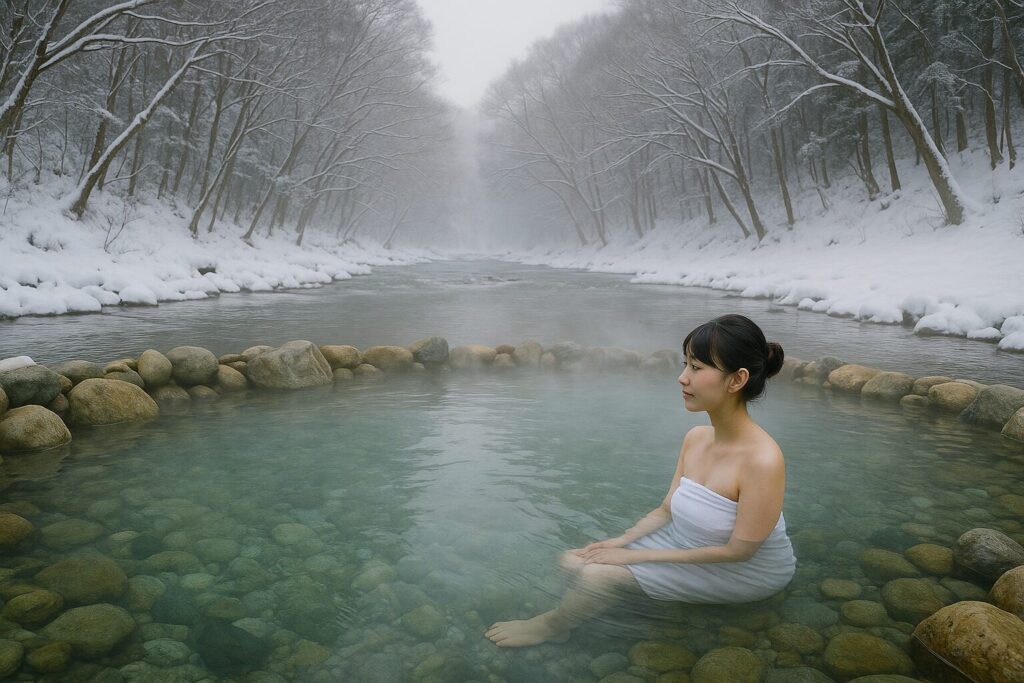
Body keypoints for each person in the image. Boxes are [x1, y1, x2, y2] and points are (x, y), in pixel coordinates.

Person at [485, 314, 797, 648]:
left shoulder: (762, 460)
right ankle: (589, 598)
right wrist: (619, 542)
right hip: (692, 545)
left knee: (597, 576)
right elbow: (665, 511)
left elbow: (738, 553)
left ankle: (554, 626)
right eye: (685, 364)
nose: (682, 378)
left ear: (737, 380)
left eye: (697, 368)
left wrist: (634, 559)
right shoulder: (697, 438)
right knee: (575, 559)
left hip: (745, 571)